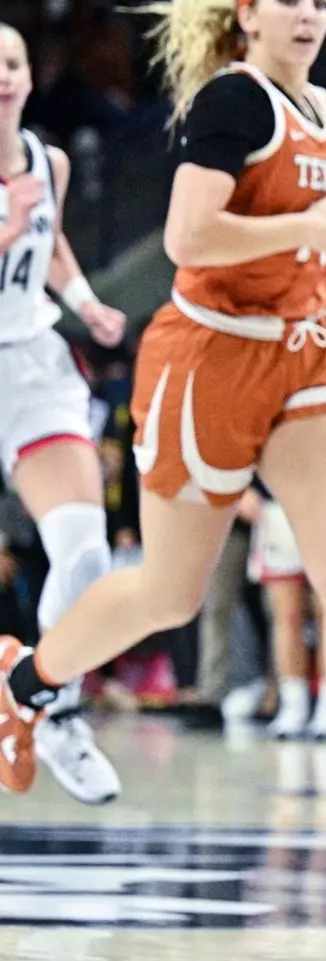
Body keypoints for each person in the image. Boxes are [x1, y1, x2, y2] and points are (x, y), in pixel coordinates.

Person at [0, 0, 326, 881]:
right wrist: (310, 232)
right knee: (170, 592)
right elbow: (189, 235)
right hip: (210, 359)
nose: (310, 14)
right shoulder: (231, 103)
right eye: (290, 0)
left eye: (322, 2)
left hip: (307, 355)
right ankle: (24, 687)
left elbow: (311, 234)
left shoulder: (319, 106)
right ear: (246, 14)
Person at [0, 23, 129, 803]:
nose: (1, 78)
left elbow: (50, 246)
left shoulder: (48, 161)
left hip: (31, 365)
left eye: (10, 63)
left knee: (85, 555)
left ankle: (50, 705)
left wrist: (83, 301)